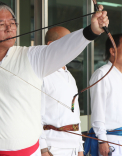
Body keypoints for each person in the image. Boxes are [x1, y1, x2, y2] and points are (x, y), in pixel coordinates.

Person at [0, 1, 109, 156]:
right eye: (1, 24)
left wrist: (91, 31)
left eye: (12, 23)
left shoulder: (32, 56)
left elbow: (61, 48)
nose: (10, 28)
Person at [86, 34, 122, 156]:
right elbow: (98, 111)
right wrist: (102, 140)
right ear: (113, 51)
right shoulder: (102, 74)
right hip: (112, 139)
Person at [40, 26, 84, 156]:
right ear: (51, 45)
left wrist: (80, 148)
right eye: (67, 41)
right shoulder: (43, 74)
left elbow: (74, 114)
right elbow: (36, 116)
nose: (71, 46)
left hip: (74, 147)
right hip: (53, 147)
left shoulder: (69, 75)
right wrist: (43, 149)